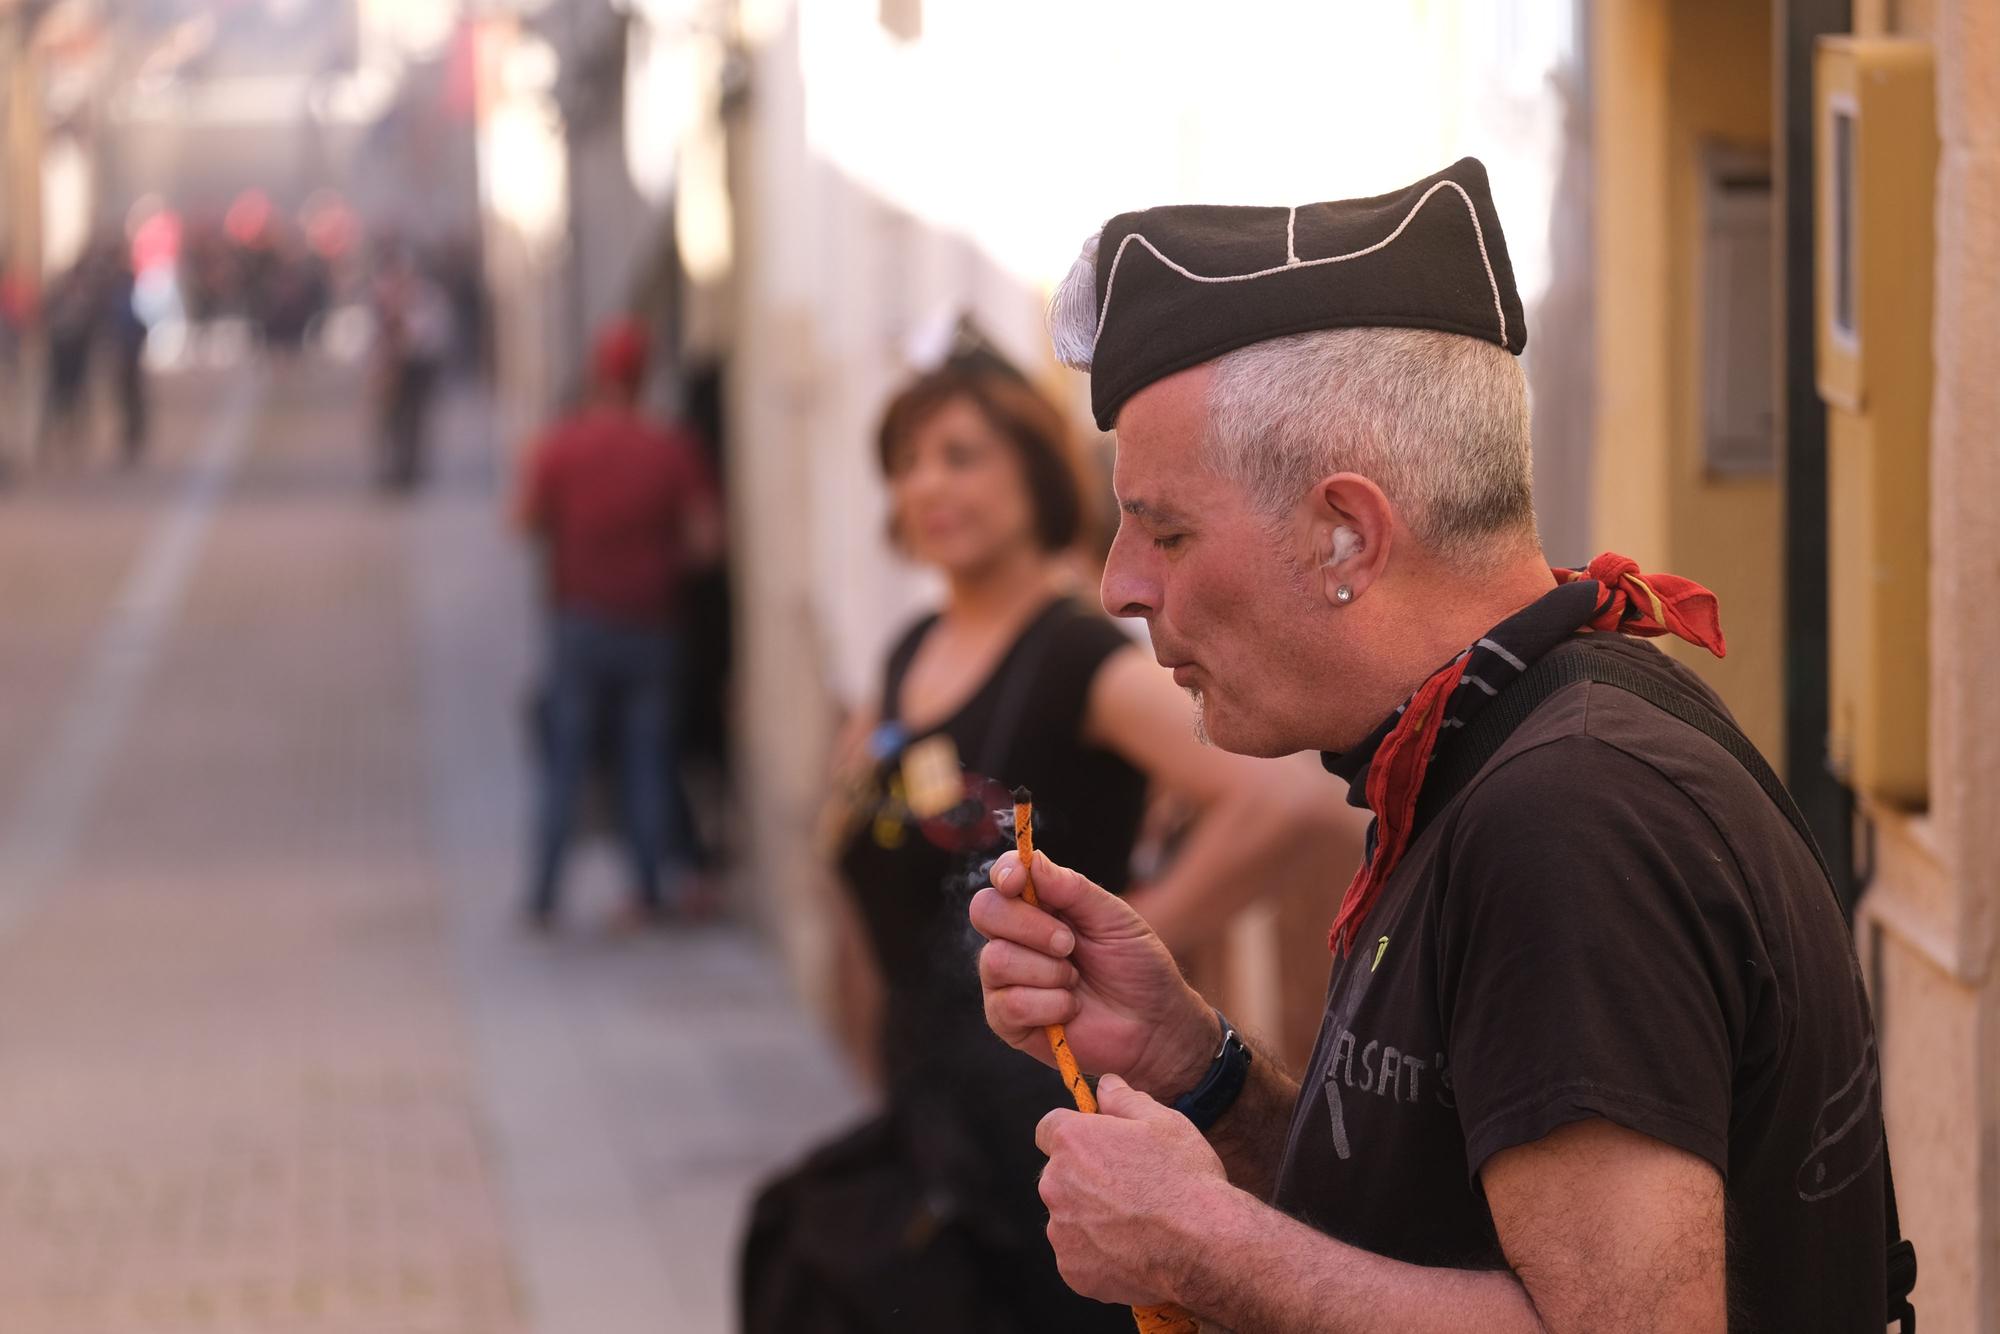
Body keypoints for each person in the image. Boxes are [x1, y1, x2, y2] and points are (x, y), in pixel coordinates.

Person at [970, 158, 1903, 1333]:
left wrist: (1203, 1246)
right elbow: (1433, 1227)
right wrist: (1194, 1067)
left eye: (1164, 528)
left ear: (1346, 534)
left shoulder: (1567, 811)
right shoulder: (1506, 742)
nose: (1117, 584)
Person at [741, 347, 1363, 1334]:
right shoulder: (911, 650)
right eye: (905, 461)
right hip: (927, 1096)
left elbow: (1282, 803)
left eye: (959, 455)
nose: (926, 484)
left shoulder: (1075, 655)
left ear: (1034, 473)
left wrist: (1139, 934)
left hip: (1046, 1104)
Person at [514, 316, 721, 929]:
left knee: (566, 761)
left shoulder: (562, 444)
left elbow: (521, 521)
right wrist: (657, 558)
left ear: (596, 373)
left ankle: (544, 895)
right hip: (652, 625)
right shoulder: (670, 447)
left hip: (580, 622)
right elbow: (708, 541)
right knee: (647, 760)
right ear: (643, 376)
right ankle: (649, 891)